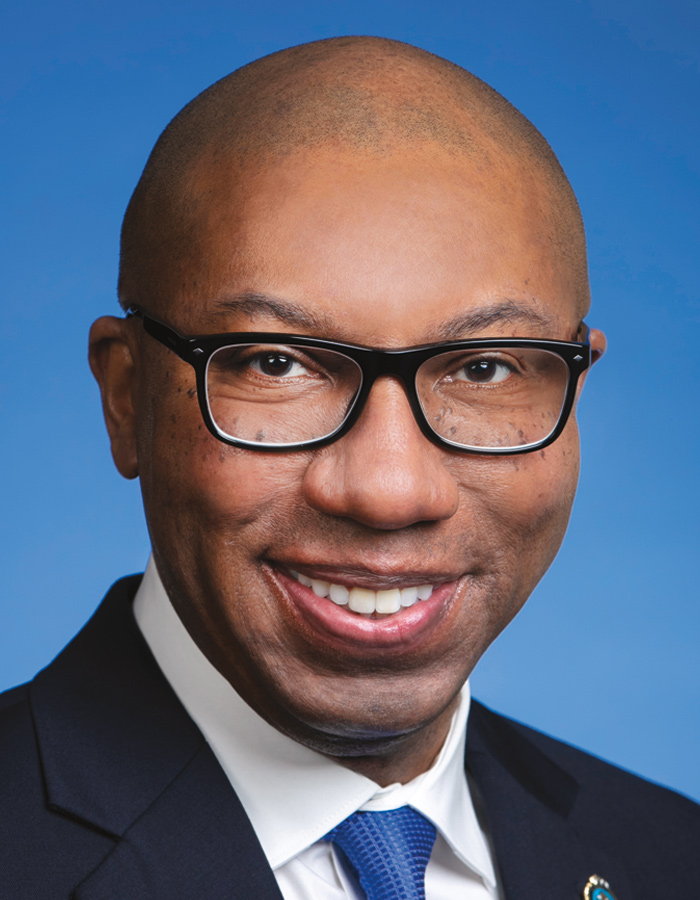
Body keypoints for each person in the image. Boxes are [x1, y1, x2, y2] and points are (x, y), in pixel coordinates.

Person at [1, 35, 698, 900]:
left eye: (483, 369)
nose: (389, 491)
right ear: (125, 397)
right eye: (278, 363)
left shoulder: (672, 856)